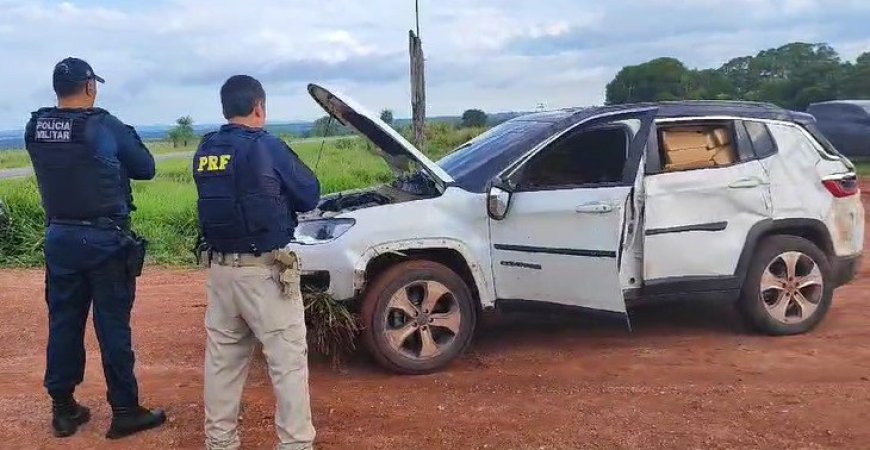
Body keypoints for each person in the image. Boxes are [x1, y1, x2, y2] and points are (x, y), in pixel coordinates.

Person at [24, 57, 166, 440]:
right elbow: (146, 167)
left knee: (64, 324)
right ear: (89, 86)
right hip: (105, 241)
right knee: (112, 328)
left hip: (60, 239)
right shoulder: (104, 125)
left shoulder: (34, 126)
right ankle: (124, 411)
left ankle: (63, 410)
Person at [193, 75, 320, 450]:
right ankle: (296, 444)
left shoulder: (205, 149)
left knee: (222, 365)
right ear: (259, 107)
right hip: (266, 274)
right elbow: (309, 194)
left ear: (225, 108)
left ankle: (219, 443)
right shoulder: (268, 146)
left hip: (220, 273)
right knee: (287, 366)